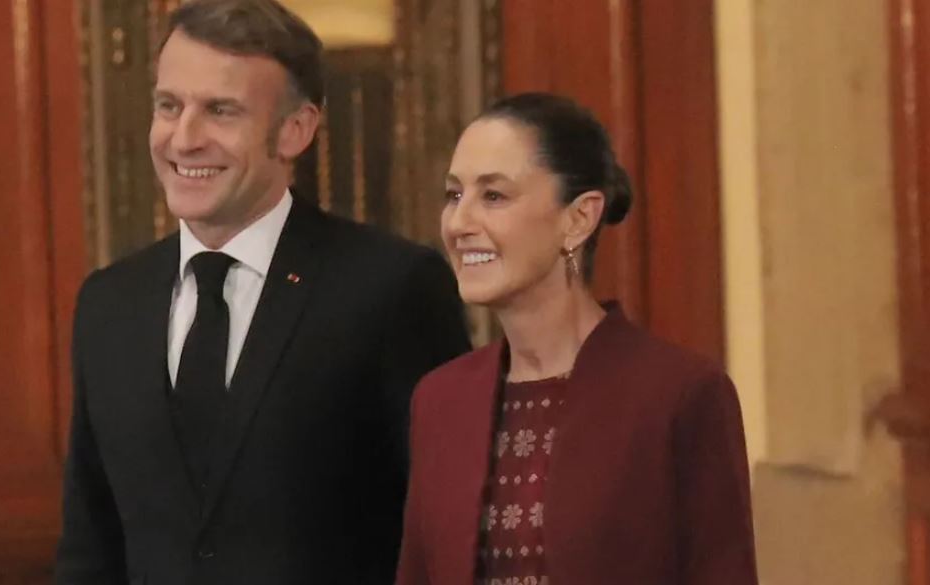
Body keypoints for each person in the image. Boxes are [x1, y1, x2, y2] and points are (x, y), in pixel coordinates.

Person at [54, 1, 470, 583]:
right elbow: (90, 548)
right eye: (169, 106)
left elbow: (446, 529)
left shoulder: (391, 288)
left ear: (295, 130)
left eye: (220, 111)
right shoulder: (108, 305)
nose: (184, 138)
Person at [396, 93, 758, 585]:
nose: (459, 223)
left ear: (579, 218)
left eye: (494, 196)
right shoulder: (440, 400)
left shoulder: (679, 394)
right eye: (454, 195)